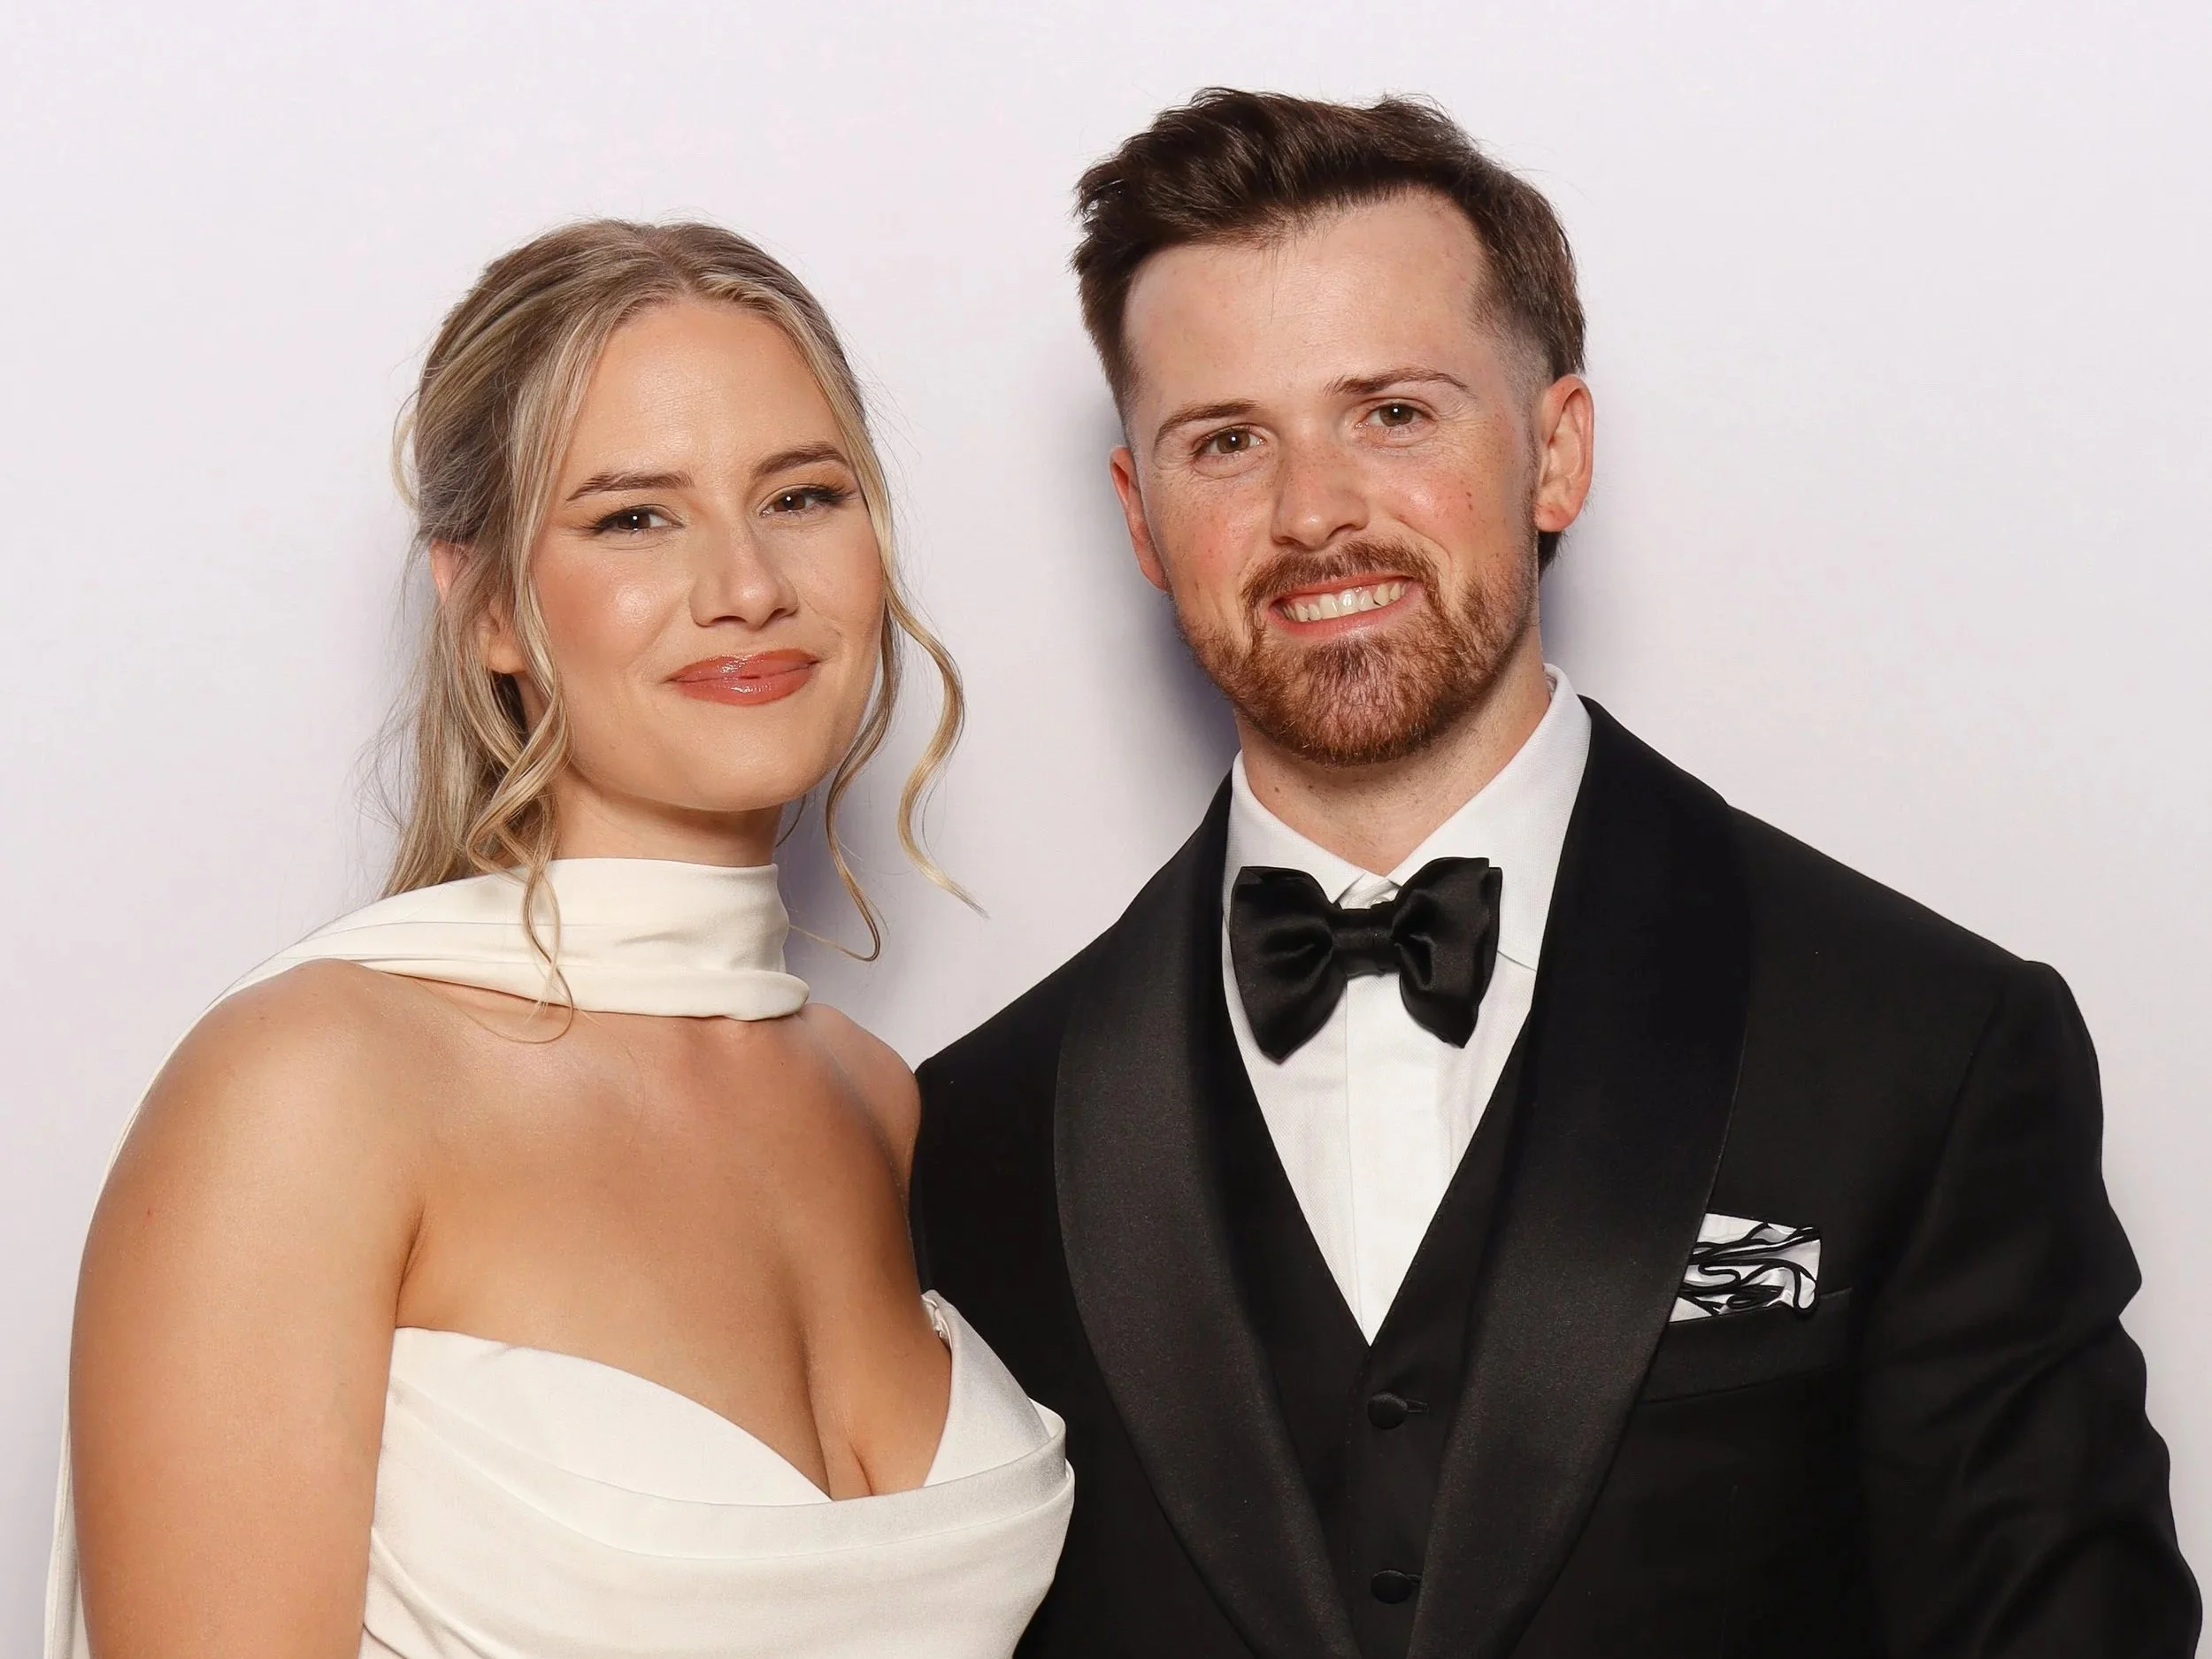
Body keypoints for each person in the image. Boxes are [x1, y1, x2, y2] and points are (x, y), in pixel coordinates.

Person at [910, 89, 2199, 1658]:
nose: (1314, 511)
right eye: (1227, 440)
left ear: (1557, 451)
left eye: (1393, 411)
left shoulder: (1925, 1047)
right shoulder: (971, 1133)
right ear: (1142, 516)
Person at [49, 219, 1071, 1659]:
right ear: (485, 611)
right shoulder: (314, 1085)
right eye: (634, 516)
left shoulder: (875, 1098)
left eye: (802, 494)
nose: (747, 585)